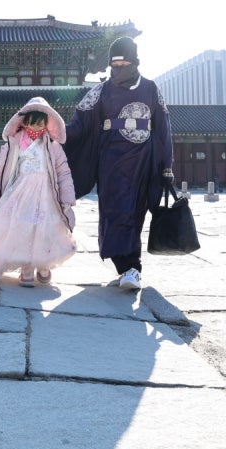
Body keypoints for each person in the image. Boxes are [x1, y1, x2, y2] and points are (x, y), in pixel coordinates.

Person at [64, 36, 174, 290]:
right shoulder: (101, 91)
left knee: (136, 212)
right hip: (111, 163)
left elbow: (164, 129)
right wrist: (54, 131)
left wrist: (166, 166)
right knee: (116, 210)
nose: (119, 68)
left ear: (135, 62)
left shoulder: (151, 89)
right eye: (114, 64)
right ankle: (129, 268)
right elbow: (79, 124)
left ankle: (130, 267)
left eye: (124, 63)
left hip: (143, 162)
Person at [0, 97, 77, 287]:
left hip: (46, 193)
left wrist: (67, 196)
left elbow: (63, 171)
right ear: (24, 122)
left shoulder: (53, 146)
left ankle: (43, 263)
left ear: (46, 125)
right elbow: (1, 170)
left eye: (40, 126)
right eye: (32, 126)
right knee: (22, 226)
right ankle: (26, 265)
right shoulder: (13, 145)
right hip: (20, 190)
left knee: (45, 227)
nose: (36, 131)